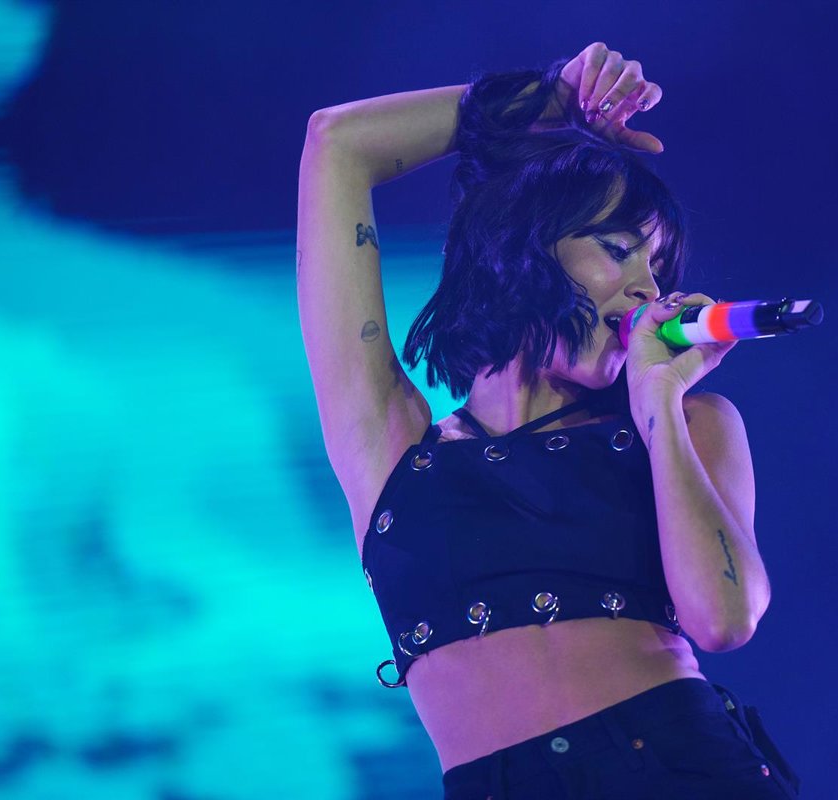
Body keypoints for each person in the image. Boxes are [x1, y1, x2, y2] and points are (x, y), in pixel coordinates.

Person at [297, 41, 800, 800]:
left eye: (658, 269)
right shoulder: (390, 444)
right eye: (617, 249)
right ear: (518, 248)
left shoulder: (689, 423)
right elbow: (338, 143)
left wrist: (658, 403)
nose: (647, 289)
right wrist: (549, 104)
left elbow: (724, 622)